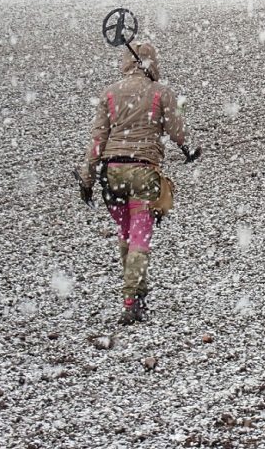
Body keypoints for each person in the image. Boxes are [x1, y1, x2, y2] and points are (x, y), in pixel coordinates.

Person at [77, 42, 201, 324]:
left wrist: (87, 178)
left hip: (112, 174)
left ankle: (133, 294)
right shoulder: (160, 93)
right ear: (151, 63)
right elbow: (177, 130)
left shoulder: (110, 93)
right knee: (140, 236)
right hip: (143, 170)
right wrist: (189, 149)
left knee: (125, 233)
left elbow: (98, 141)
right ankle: (133, 299)